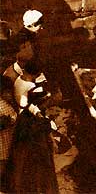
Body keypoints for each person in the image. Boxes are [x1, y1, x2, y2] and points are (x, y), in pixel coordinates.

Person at [11, 60, 57, 193]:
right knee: (37, 154)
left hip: (23, 122)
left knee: (23, 155)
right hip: (29, 122)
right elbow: (25, 105)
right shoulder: (30, 85)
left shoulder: (19, 80)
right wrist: (41, 107)